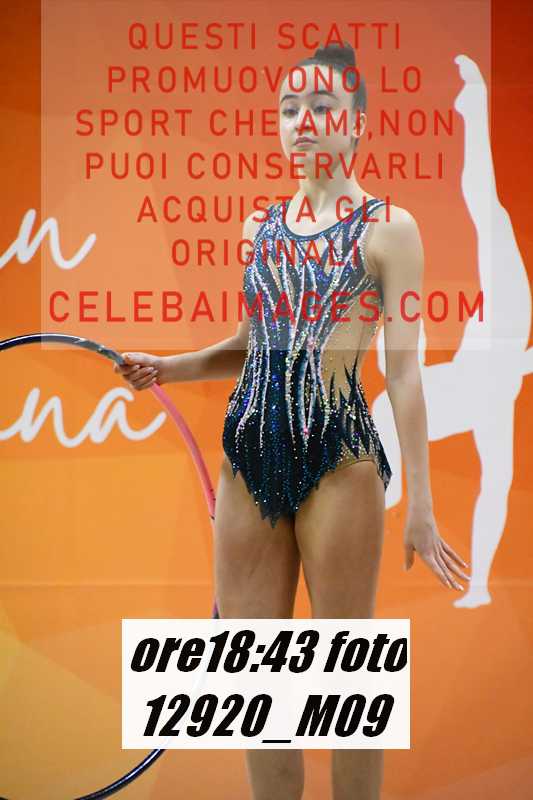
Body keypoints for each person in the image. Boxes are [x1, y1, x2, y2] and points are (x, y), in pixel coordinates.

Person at [114, 41, 470, 800]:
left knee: (347, 695)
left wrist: (423, 504)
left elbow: (404, 371)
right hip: (247, 456)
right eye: (288, 108)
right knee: (255, 693)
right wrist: (166, 367)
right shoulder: (259, 228)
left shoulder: (390, 229)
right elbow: (251, 345)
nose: (302, 121)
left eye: (320, 107)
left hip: (338, 458)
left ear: (356, 123)